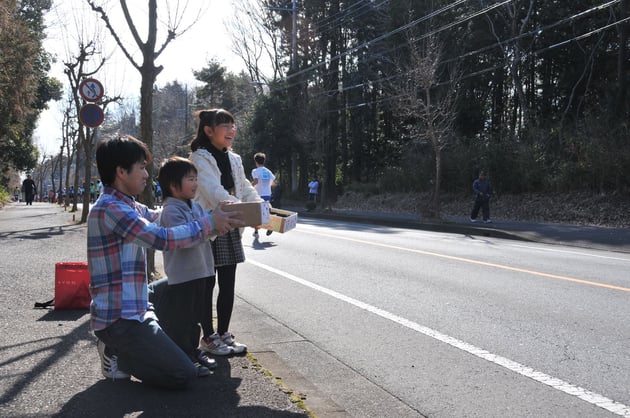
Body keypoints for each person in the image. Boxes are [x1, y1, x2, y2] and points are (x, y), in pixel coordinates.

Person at [87, 135, 242, 388]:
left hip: (136, 300)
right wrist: (209, 223)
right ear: (121, 171)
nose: (146, 175)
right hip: (121, 318)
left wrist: (212, 215)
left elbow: (161, 216)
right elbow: (161, 238)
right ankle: (118, 352)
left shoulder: (129, 206)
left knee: (181, 282)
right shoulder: (111, 209)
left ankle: (154, 347)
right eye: (141, 167)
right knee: (183, 374)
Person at [190, 108, 262, 356]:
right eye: (225, 125)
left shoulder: (235, 159)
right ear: (209, 130)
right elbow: (212, 191)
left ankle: (224, 333)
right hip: (210, 224)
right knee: (207, 284)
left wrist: (260, 208)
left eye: (233, 125)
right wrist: (244, 210)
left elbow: (243, 186)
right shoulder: (199, 158)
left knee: (228, 283)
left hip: (230, 225)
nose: (232, 129)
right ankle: (208, 338)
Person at [155, 156, 218, 377]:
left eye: (195, 178)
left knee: (195, 317)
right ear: (173, 185)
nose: (195, 183)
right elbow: (184, 238)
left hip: (201, 271)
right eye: (190, 179)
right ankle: (184, 358)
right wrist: (209, 226)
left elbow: (206, 231)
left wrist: (220, 226)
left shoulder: (196, 206)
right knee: (182, 320)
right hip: (183, 276)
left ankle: (192, 352)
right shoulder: (171, 211)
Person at [251, 152, 276, 238]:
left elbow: (256, 181)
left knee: (257, 214)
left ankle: (256, 232)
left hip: (258, 194)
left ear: (255, 161)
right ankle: (270, 225)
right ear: (264, 161)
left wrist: (250, 187)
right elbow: (274, 183)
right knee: (266, 211)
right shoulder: (268, 171)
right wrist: (267, 185)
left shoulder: (255, 171)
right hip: (267, 194)